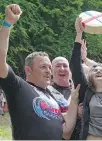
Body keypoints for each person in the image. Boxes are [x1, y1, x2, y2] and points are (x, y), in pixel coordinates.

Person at [0, 4, 79, 140]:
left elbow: (66, 131)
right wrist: (8, 23)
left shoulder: (52, 97)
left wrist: (75, 101)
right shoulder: (19, 87)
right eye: (43, 67)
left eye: (49, 67)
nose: (49, 71)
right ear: (28, 70)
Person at [49, 56, 83, 140]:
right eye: (58, 66)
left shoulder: (79, 89)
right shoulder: (46, 92)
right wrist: (75, 113)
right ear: (51, 71)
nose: (62, 68)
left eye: (65, 66)